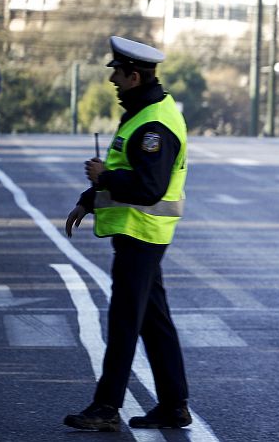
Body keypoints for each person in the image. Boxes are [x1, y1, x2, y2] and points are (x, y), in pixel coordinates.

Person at [63, 36, 192, 432]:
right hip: (140, 233)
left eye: (117, 73)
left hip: (143, 233)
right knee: (154, 322)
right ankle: (173, 406)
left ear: (134, 76)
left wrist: (105, 177)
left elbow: (149, 187)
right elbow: (128, 170)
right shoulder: (143, 112)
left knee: (123, 322)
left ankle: (106, 408)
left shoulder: (154, 124)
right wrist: (90, 196)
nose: (113, 81)